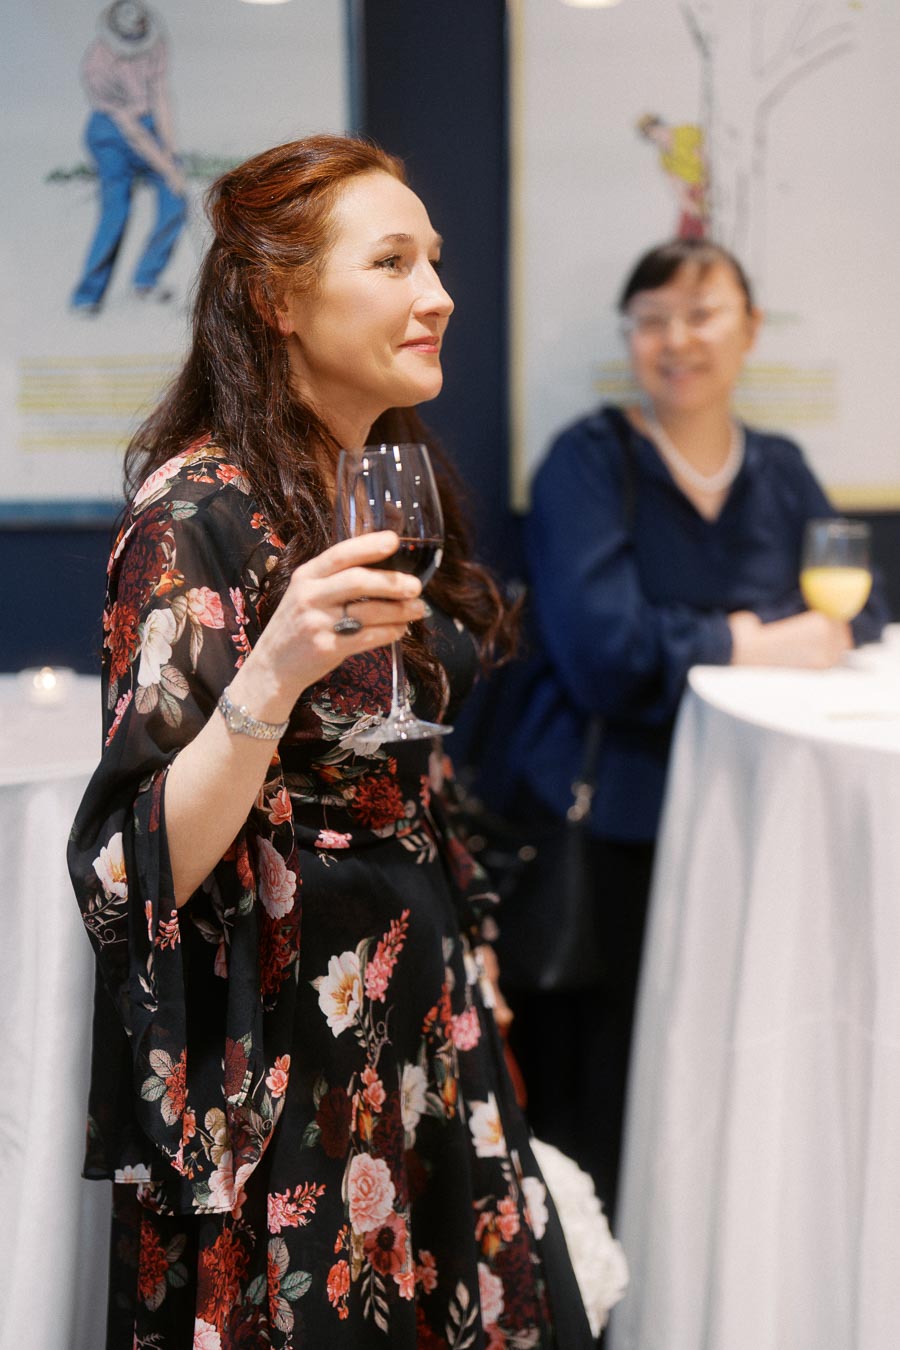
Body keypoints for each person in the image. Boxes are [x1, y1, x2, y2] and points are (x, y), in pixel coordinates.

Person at [67, 133, 594, 1349]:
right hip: (288, 1036)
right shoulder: (195, 515)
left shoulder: (380, 473)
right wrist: (272, 671)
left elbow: (401, 761)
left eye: (436, 260)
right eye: (393, 262)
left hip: (417, 1006)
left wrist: (471, 961)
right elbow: (133, 869)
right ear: (277, 300)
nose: (438, 293)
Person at [503, 237, 890, 1221]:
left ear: (750, 330)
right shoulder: (590, 461)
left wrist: (714, 640)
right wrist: (751, 640)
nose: (677, 340)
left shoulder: (781, 468)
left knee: (737, 1088)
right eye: (652, 321)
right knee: (601, 1098)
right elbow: (603, 650)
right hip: (615, 830)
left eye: (701, 314)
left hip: (759, 828)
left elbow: (860, 614)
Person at [71, 0, 187, 313]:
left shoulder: (155, 42)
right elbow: (131, 131)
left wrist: (170, 149)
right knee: (116, 212)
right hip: (111, 132)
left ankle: (145, 280)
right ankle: (87, 296)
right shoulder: (97, 65)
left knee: (175, 201)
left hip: (147, 123)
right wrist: (168, 169)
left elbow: (160, 94)